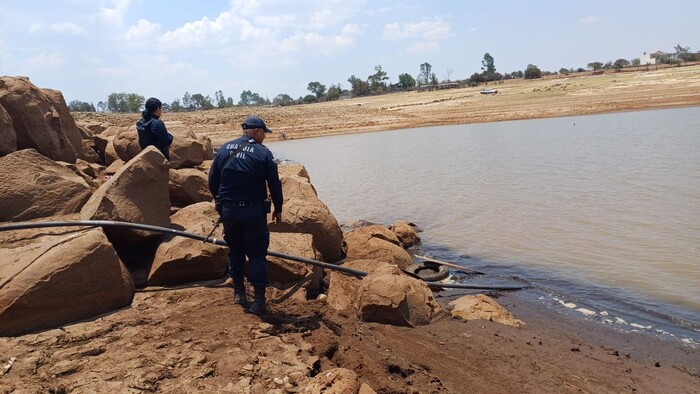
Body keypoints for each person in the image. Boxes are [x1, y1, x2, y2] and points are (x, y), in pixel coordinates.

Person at [208, 115, 283, 314]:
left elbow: (212, 180)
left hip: (229, 211)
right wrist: (279, 209)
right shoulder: (263, 153)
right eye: (264, 133)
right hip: (252, 211)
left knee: (235, 251)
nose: (265, 137)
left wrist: (219, 201)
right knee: (257, 254)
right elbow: (274, 184)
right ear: (256, 131)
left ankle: (239, 293)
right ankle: (259, 300)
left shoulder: (224, 148)